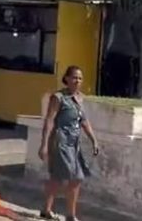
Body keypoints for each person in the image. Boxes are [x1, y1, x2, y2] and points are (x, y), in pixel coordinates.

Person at [38, 65, 99, 221]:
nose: (77, 81)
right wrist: (44, 145)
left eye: (79, 78)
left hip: (74, 143)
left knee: (57, 178)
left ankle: (46, 210)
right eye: (74, 77)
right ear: (66, 79)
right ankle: (71, 215)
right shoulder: (58, 97)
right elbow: (49, 120)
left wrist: (93, 140)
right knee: (75, 177)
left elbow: (84, 121)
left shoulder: (79, 98)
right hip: (61, 141)